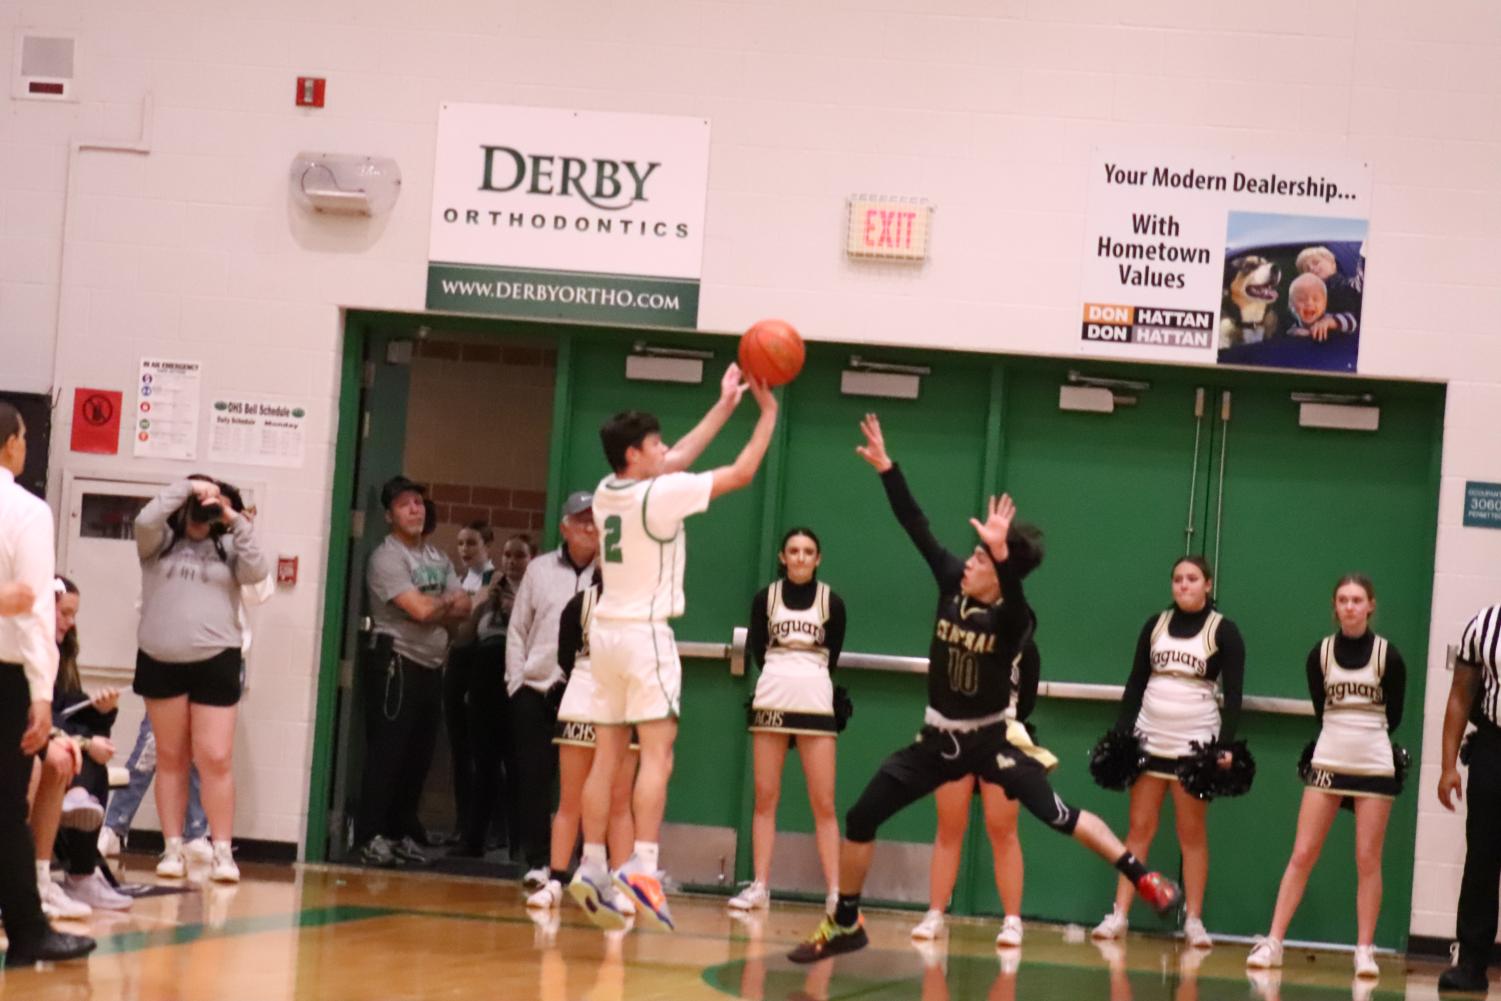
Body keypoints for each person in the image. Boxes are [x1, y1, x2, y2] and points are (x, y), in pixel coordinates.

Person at [786, 414, 1180, 963]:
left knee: (1057, 814)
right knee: (860, 816)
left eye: (980, 557)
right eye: (973, 555)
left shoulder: (1015, 619)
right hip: (935, 741)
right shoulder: (952, 583)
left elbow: (1016, 600)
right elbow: (916, 525)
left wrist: (1000, 554)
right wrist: (888, 469)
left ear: (998, 571)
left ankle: (1141, 877)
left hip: (992, 742)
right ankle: (846, 920)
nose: (966, 560)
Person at [569, 363, 779, 932]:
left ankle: (591, 866)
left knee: (607, 757)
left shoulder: (611, 491)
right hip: (644, 634)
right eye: (655, 444)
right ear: (635, 454)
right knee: (658, 754)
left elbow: (680, 456)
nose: (665, 449)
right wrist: (767, 415)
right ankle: (644, 863)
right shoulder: (659, 498)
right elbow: (740, 471)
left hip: (605, 634)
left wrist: (725, 404)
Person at [1246, 574, 1405, 978]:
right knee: (1302, 853)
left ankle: (1364, 950)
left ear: (1371, 605)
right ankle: (1274, 941)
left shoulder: (1389, 656)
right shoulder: (1320, 654)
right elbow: (1322, 709)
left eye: (1357, 600)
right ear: (1334, 607)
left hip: (1374, 762)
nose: (1350, 607)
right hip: (1329, 758)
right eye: (1342, 600)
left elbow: (1396, 715)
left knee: (1368, 859)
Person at [1092, 555, 1245, 948]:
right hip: (1150, 738)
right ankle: (1119, 914)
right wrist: (1122, 735)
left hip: (1194, 743)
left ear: (1208, 584)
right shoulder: (1155, 625)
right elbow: (1136, 681)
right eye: (1177, 579)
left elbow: (1235, 696)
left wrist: (1225, 746)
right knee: (1139, 828)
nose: (1183, 586)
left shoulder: (1223, 630)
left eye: (1192, 579)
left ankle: (1193, 920)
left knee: (1190, 832)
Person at [134, 474, 269, 884]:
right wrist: (188, 487)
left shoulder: (229, 548)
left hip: (215, 660)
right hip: (161, 658)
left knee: (215, 757)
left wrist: (231, 515)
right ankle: (172, 847)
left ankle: (222, 850)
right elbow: (144, 519)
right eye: (199, 502)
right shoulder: (157, 544)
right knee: (171, 758)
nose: (202, 509)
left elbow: (258, 569)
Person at [0, 402, 94, 963]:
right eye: (26, 437)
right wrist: (42, 689)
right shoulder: (25, 510)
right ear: (11, 443)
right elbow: (33, 607)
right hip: (5, 674)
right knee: (7, 807)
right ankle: (28, 932)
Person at [727, 527, 847, 914]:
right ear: (782, 557)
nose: (800, 557)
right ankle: (761, 885)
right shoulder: (766, 598)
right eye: (793, 551)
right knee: (765, 796)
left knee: (824, 801)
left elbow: (834, 653)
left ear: (818, 558)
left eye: (808, 551)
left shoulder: (832, 602)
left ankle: (835, 893)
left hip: (814, 693)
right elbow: (760, 650)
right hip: (773, 693)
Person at [357, 475, 471, 867]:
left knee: (418, 757)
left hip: (431, 665)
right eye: (405, 504)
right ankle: (370, 834)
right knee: (387, 754)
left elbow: (465, 609)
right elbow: (423, 610)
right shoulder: (386, 557)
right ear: (390, 515)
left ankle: (400, 832)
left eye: (419, 503)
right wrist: (443, 603)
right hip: (395, 664)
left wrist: (436, 605)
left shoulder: (436, 557)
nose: (414, 509)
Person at [910, 636, 1044, 947]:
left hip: (1002, 734)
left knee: (1003, 828)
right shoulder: (953, 636)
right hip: (955, 733)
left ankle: (1012, 921)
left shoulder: (1024, 645)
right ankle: (934, 914)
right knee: (949, 828)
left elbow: (1026, 702)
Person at [525, 569, 637, 914]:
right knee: (570, 799)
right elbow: (565, 657)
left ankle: (619, 885)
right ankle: (556, 879)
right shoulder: (579, 604)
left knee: (619, 801)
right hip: (583, 694)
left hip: (625, 699)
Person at [506, 499, 596, 884]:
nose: (588, 528)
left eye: (594, 522)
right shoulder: (539, 570)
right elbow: (516, 629)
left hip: (587, 692)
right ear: (564, 528)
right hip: (537, 687)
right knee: (533, 778)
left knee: (588, 783)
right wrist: (516, 683)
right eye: (580, 521)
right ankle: (539, 862)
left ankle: (584, 863)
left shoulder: (612, 573)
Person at [40, 578, 132, 913]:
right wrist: (82, 741)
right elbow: (40, 715)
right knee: (79, 753)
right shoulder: (24, 651)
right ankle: (44, 878)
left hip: (46, 738)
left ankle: (81, 877)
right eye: (64, 613)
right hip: (24, 741)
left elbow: (66, 707)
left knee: (94, 761)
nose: (70, 621)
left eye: (73, 614)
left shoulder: (61, 655)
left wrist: (103, 712)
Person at [1436, 603, 1501, 993]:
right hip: (1495, 746)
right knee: (1481, 857)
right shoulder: (1485, 624)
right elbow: (1461, 695)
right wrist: (1448, 767)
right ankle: (1472, 965)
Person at [443, 521, 494, 844]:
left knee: (479, 751)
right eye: (460, 544)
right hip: (456, 661)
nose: (464, 550)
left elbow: (467, 624)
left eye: (471, 543)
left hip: (478, 662)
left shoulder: (493, 579)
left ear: (486, 544)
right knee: (459, 750)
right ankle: (463, 825)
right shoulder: (461, 580)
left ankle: (482, 828)